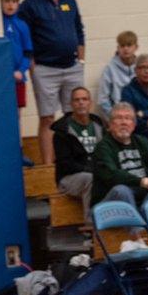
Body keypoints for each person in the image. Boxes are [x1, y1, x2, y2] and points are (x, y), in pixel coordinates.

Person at [18, 0, 85, 165]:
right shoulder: (30, 4)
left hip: (72, 67)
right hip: (45, 68)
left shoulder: (69, 0)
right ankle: (48, 165)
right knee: (47, 117)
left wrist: (81, 58)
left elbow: (79, 30)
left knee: (74, 115)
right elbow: (23, 34)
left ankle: (77, 159)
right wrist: (30, 63)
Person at [91, 102, 148, 243]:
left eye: (128, 118)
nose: (124, 122)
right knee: (122, 190)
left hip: (141, 206)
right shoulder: (103, 147)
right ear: (110, 125)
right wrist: (145, 182)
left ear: (134, 125)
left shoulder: (142, 142)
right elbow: (112, 176)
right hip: (109, 207)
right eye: (119, 118)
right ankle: (136, 238)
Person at [52, 86, 105, 220]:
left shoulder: (99, 126)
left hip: (96, 172)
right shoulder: (62, 131)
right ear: (71, 105)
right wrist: (91, 170)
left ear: (90, 103)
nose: (81, 103)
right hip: (69, 178)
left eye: (84, 99)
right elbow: (65, 163)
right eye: (77, 100)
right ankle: (91, 229)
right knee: (91, 179)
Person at [0, 0, 34, 110]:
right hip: (2, 76)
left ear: (18, 4)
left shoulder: (22, 26)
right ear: (1, 3)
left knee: (17, 112)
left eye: (13, 1)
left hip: (18, 78)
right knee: (4, 110)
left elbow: (28, 52)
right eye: (7, 1)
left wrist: (21, 70)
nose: (10, 5)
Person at [97, 31, 138, 119]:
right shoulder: (109, 69)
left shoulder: (142, 66)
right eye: (122, 46)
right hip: (118, 116)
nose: (126, 49)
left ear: (136, 47)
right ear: (118, 48)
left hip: (139, 114)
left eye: (129, 45)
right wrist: (114, 118)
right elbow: (103, 100)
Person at [119, 53, 148, 135]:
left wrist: (143, 113)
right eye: (142, 67)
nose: (147, 71)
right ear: (135, 71)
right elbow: (130, 118)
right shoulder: (128, 91)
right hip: (140, 135)